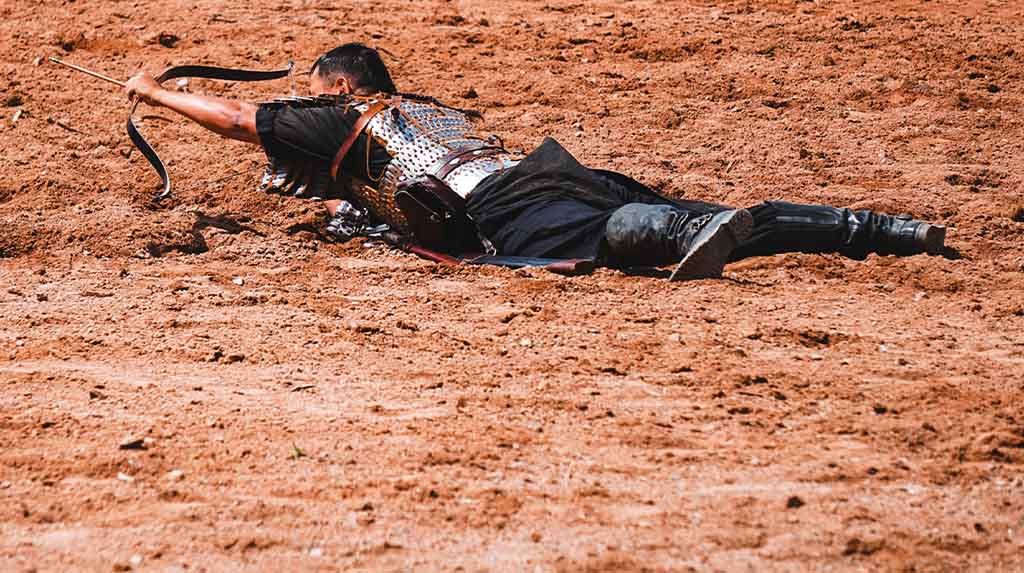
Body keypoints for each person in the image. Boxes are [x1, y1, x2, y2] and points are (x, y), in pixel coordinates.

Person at [124, 43, 946, 280]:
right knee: (719, 222)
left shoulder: (347, 114)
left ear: (342, 86)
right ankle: (876, 228)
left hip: (507, 208)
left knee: (621, 237)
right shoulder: (432, 109)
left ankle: (676, 231)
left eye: (319, 90)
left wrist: (155, 94)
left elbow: (236, 118)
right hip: (544, 170)